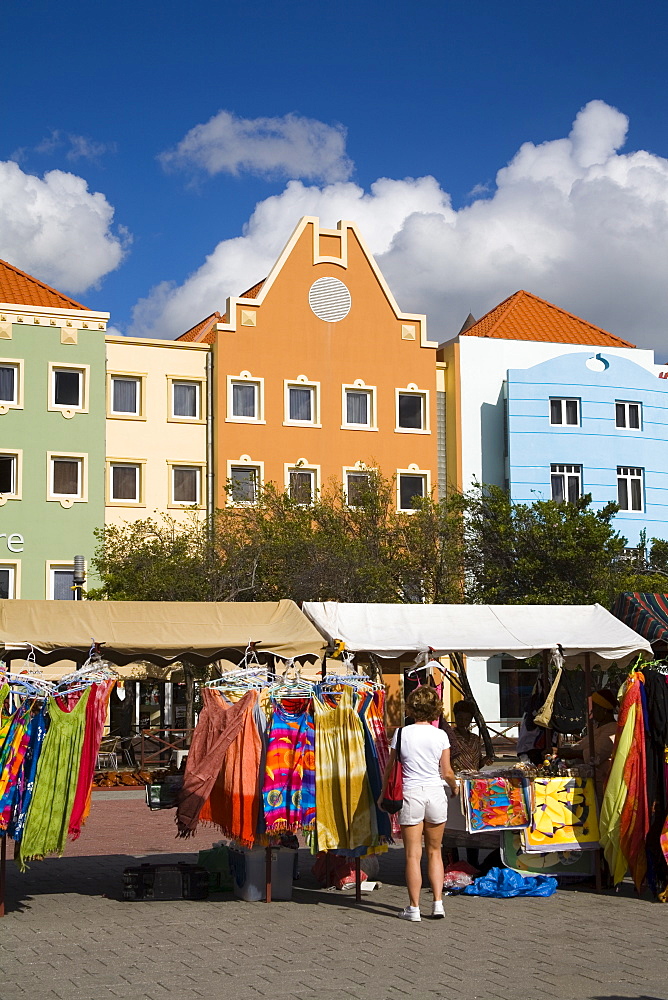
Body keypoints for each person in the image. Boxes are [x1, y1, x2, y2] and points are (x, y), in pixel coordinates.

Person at [378, 686, 458, 922]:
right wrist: (454, 787)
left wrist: (383, 794)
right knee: (436, 852)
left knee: (413, 855)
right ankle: (438, 903)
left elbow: (390, 768)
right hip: (435, 793)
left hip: (410, 794)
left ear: (411, 708)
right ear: (435, 709)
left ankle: (413, 908)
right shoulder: (440, 735)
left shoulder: (402, 734)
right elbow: (447, 771)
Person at [558, 687, 618, 798]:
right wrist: (561, 750)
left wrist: (568, 753)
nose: (592, 711)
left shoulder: (613, 730)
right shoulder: (597, 727)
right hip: (590, 783)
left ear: (604, 710)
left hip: (603, 783)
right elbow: (582, 745)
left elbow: (595, 754)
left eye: (595, 708)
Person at [450, 700, 492, 773]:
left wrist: (485, 760)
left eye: (466, 719)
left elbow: (477, 764)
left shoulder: (475, 739)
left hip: (474, 779)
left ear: (470, 720)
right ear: (455, 717)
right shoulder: (450, 737)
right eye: (460, 718)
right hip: (458, 780)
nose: (463, 722)